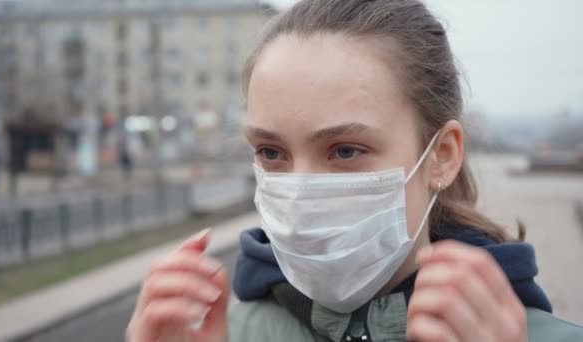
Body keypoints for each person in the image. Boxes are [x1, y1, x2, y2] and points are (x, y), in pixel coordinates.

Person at [126, 0, 583, 341]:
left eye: (345, 151)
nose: (301, 192)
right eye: (271, 152)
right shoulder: (221, 333)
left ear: (441, 156)